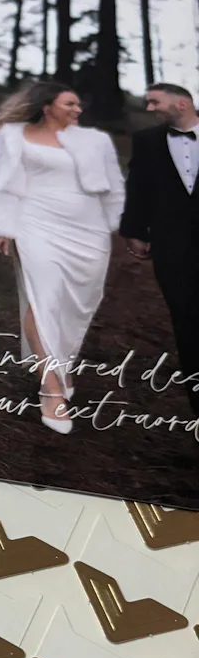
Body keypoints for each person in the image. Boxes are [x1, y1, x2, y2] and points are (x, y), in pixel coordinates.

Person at [0, 81, 125, 434]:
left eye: (79, 104)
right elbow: (1, 182)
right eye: (70, 104)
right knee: (43, 298)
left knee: (77, 306)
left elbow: (114, 187)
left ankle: (62, 364)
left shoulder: (95, 141)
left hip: (88, 230)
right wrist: (0, 226)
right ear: (46, 106)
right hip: (36, 223)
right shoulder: (11, 135)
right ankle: (51, 387)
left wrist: (125, 225)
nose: (78, 110)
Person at [119, 82, 199, 414]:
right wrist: (134, 230)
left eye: (154, 102)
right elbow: (138, 187)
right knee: (187, 322)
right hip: (172, 247)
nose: (149, 109)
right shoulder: (147, 141)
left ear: (182, 104)